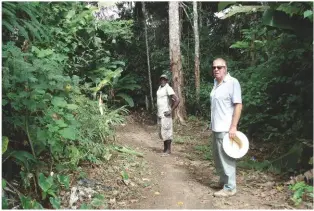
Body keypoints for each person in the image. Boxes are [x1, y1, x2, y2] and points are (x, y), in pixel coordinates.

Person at [209, 58, 243, 197]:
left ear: (225, 68)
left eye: (219, 67)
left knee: (227, 158)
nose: (216, 69)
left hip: (226, 128)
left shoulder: (232, 82)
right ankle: (223, 181)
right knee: (218, 158)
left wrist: (233, 126)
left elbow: (238, 105)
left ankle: (230, 187)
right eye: (214, 67)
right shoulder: (216, 83)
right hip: (216, 127)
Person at [156, 74, 180, 155]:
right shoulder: (160, 88)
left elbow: (177, 100)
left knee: (167, 132)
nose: (162, 81)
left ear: (166, 81)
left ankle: (168, 150)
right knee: (162, 132)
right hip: (160, 114)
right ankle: (165, 149)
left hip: (166, 114)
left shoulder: (168, 88)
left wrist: (171, 110)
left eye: (164, 79)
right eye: (161, 79)